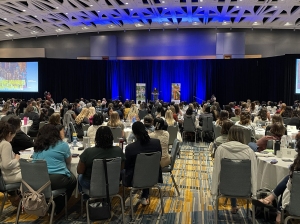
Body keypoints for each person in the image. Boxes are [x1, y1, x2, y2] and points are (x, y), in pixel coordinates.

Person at [211, 125, 257, 214]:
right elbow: (254, 174)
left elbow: (216, 172)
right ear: (242, 136)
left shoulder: (221, 150)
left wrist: (214, 194)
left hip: (224, 188)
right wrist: (254, 195)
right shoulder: (249, 152)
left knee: (230, 176)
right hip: (244, 190)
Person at [252, 139, 300, 224]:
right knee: (288, 183)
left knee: (288, 185)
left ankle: (277, 211)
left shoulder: (296, 172)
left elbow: (288, 190)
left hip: (295, 205)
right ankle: (272, 202)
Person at [32, 124, 76, 214]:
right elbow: (68, 160)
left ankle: (51, 205)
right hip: (56, 179)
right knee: (73, 180)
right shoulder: (62, 145)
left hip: (38, 180)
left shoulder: (37, 146)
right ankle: (58, 207)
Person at [124, 121, 162, 205]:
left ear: (133, 133)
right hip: (154, 176)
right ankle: (145, 195)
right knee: (146, 168)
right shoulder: (156, 143)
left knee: (124, 171)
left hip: (135, 178)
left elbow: (127, 166)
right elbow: (158, 159)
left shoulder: (130, 148)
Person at [77, 126, 125, 191]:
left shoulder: (88, 152)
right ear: (111, 137)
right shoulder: (118, 151)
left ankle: (85, 198)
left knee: (79, 177)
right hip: (112, 182)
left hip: (91, 183)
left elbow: (80, 171)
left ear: (96, 138)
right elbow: (121, 168)